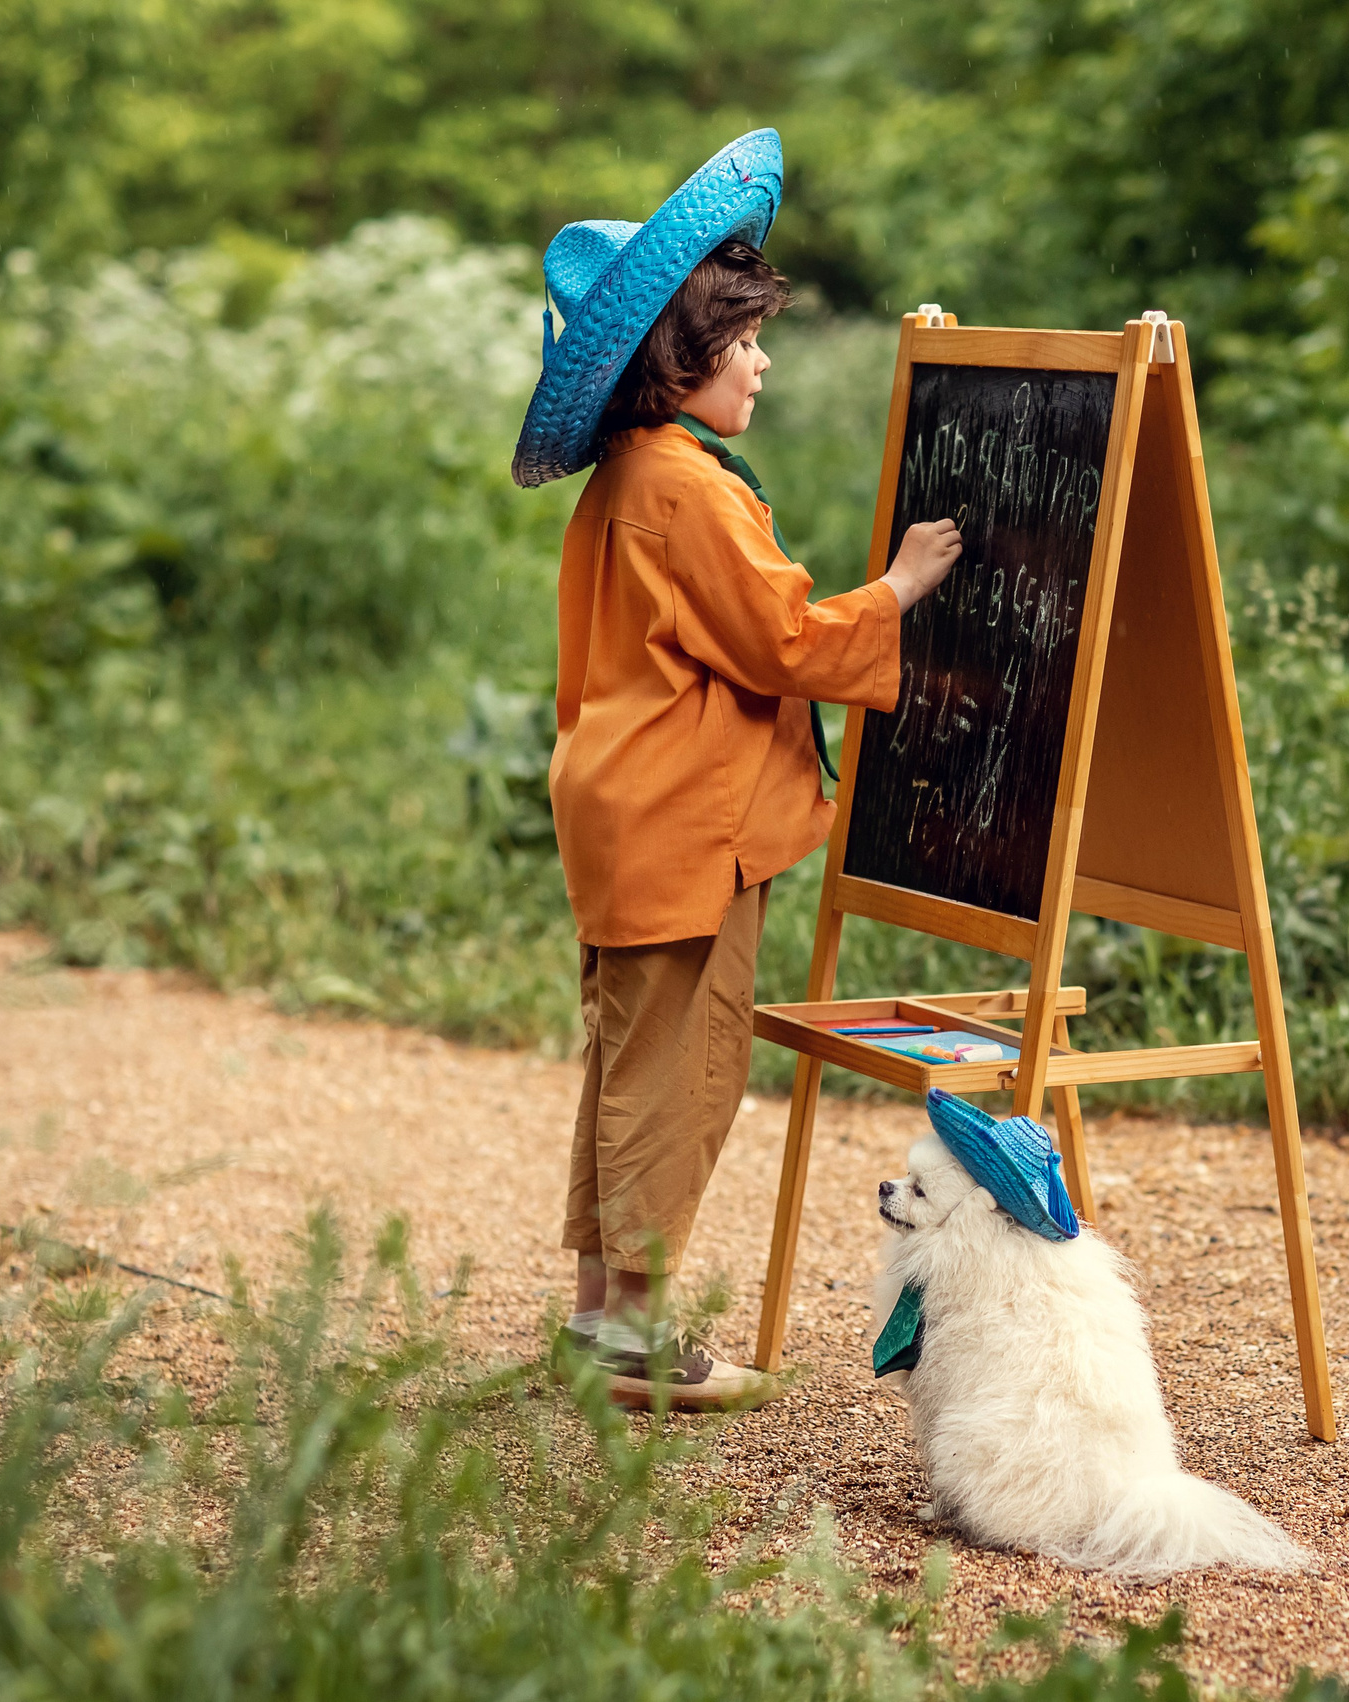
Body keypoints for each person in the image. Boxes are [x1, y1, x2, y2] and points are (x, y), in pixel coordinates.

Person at [510, 130, 960, 1409]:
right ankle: (635, 1341)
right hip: (685, 826)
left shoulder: (628, 477)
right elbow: (784, 639)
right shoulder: (686, 489)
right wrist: (902, 587)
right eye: (745, 341)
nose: (762, 362)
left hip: (625, 812)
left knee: (625, 1059)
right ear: (683, 358)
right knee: (681, 1071)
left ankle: (603, 1321)